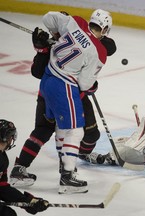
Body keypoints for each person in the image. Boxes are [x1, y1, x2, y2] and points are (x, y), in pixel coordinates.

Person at [10, 11, 116, 188]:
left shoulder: (75, 23)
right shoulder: (99, 51)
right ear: (105, 29)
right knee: (74, 131)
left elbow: (47, 17)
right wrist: (92, 85)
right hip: (66, 88)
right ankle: (67, 175)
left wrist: (56, 35)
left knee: (58, 129)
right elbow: (84, 84)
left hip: (48, 80)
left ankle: (61, 167)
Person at [0, 119, 49, 216]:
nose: (11, 139)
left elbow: (2, 188)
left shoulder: (3, 158)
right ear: (7, 138)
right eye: (11, 136)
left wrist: (28, 201)